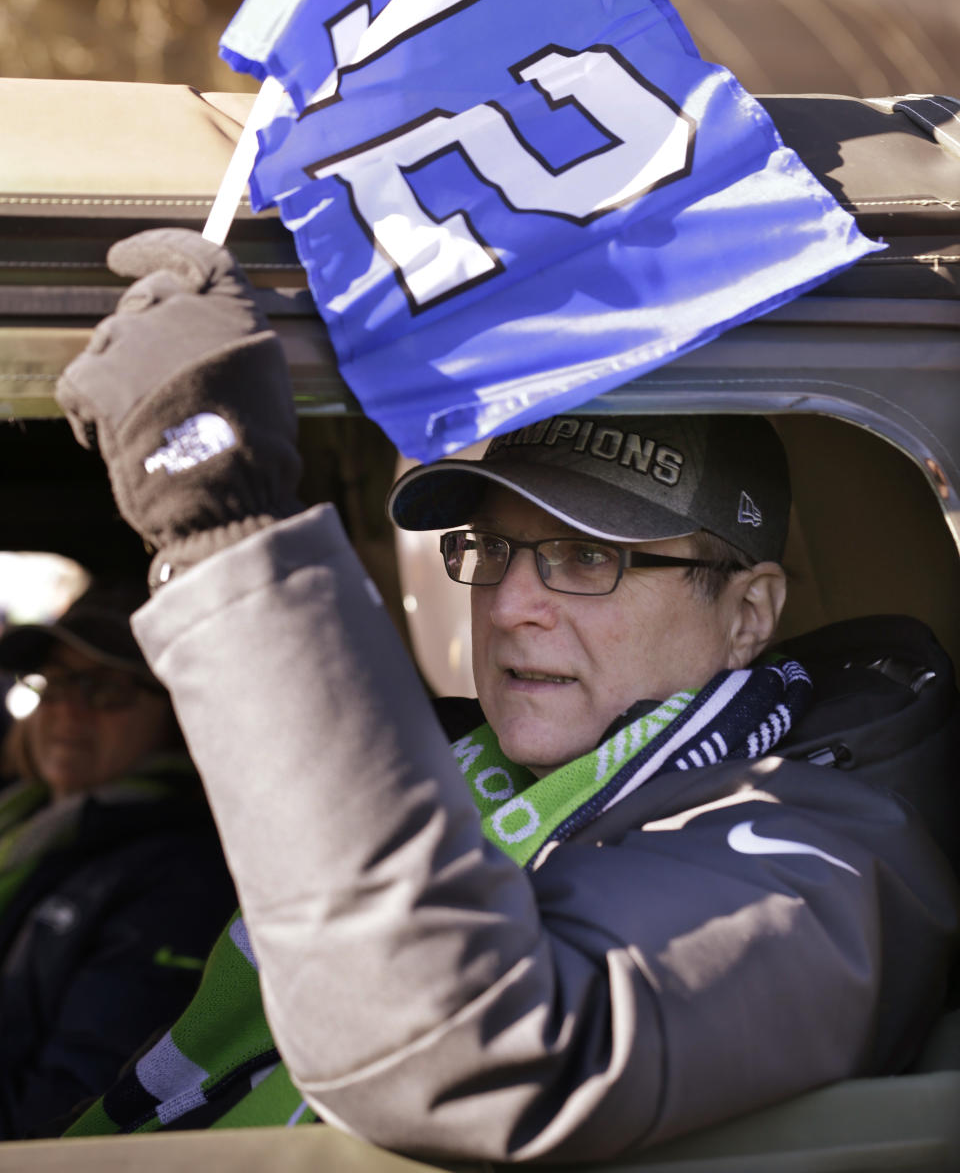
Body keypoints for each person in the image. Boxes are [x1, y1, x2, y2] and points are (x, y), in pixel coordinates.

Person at [54, 228, 959, 1158]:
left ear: (747, 613)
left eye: (588, 556)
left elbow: (468, 1060)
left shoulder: (822, 858)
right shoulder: (446, 758)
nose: (509, 603)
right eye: (493, 549)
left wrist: (227, 540)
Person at [0, 579, 236, 1139]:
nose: (69, 711)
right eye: (55, 683)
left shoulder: (180, 876)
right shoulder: (23, 822)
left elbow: (62, 1113)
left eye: (106, 690)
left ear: (174, 713)